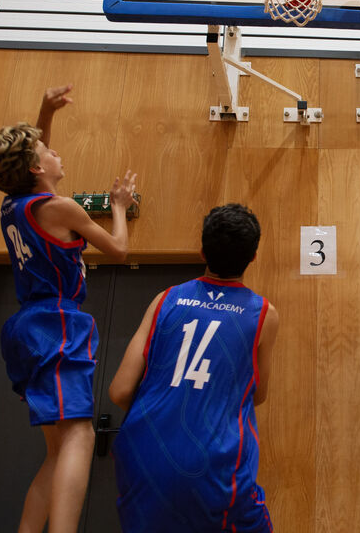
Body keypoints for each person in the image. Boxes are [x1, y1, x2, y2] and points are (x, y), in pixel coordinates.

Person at [0, 83, 137, 533]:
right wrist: (119, 207)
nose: (55, 152)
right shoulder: (59, 208)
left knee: (57, 450)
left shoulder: (14, 206)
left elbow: (32, 158)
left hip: (26, 326)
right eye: (48, 149)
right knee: (81, 435)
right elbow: (119, 252)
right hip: (57, 322)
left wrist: (45, 113)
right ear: (35, 166)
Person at [109, 203, 279, 533]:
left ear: (201, 251)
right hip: (213, 460)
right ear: (253, 257)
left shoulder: (165, 299)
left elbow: (119, 391)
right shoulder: (263, 313)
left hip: (143, 452)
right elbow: (257, 394)